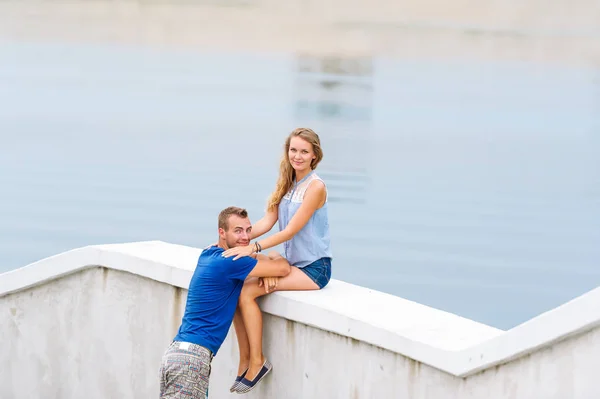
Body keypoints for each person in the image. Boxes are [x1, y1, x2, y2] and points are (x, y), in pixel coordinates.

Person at [222, 127, 332, 394]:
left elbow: (289, 231)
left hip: (314, 269)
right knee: (238, 285)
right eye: (293, 150)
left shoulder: (315, 187)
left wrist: (253, 248)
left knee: (248, 292)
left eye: (304, 151)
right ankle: (245, 360)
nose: (297, 156)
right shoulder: (287, 182)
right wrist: (235, 241)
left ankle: (258, 362)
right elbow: (269, 222)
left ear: (314, 155)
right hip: (293, 264)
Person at [158, 206, 291, 399]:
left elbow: (249, 258)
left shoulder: (208, 253)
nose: (245, 237)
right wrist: (274, 256)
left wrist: (261, 264)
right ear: (222, 232)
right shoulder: (231, 262)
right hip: (192, 361)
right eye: (238, 231)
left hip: (175, 355)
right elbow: (283, 269)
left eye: (248, 230)